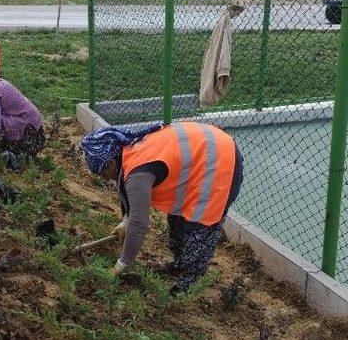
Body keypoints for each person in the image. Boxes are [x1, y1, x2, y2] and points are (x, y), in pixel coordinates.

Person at [80, 122, 244, 294]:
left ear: (111, 162)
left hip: (221, 161)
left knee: (199, 230)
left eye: (102, 173)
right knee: (177, 220)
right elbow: (131, 201)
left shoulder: (138, 174)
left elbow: (139, 223)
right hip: (203, 154)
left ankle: (188, 285)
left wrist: (123, 262)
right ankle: (179, 266)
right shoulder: (129, 151)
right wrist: (125, 222)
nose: (105, 179)